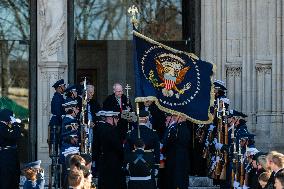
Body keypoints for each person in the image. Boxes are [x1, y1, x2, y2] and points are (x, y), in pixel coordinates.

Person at [94, 110, 126, 189]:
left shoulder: (99, 129)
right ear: (112, 118)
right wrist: (123, 157)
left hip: (102, 161)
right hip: (113, 162)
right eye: (116, 118)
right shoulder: (112, 130)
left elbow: (96, 146)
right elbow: (117, 147)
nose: (118, 120)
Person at [163, 114, 191, 189]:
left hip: (175, 157)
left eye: (176, 116)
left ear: (181, 118)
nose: (174, 117)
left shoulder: (177, 129)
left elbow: (170, 142)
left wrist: (164, 150)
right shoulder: (183, 128)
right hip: (181, 157)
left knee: (176, 179)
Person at [0, 108, 22, 189]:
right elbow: (17, 135)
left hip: (7, 157)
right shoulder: (2, 127)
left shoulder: (5, 127)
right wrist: (15, 123)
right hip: (7, 159)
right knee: (8, 181)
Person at [48, 79, 66, 156]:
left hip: (57, 120)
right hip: (56, 122)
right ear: (59, 88)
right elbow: (58, 112)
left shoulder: (59, 97)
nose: (65, 87)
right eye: (63, 86)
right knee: (56, 143)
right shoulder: (57, 98)